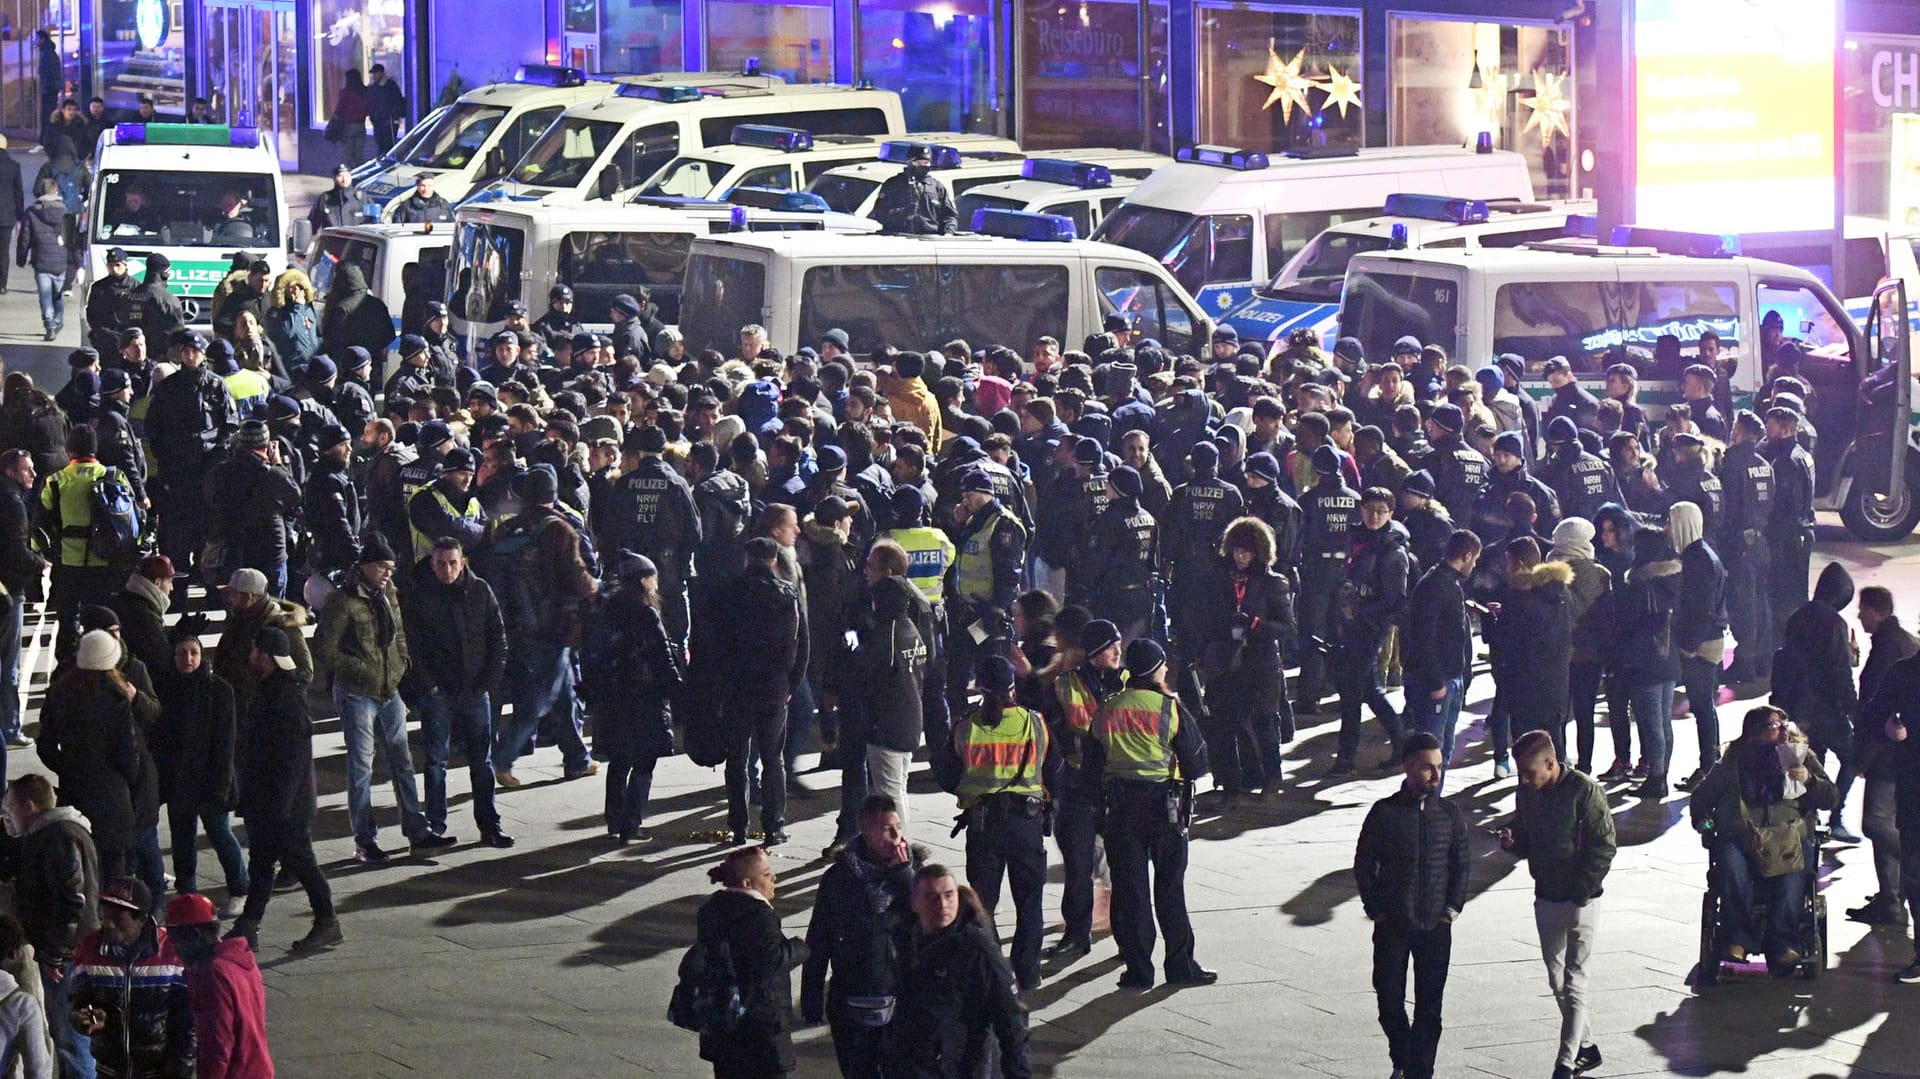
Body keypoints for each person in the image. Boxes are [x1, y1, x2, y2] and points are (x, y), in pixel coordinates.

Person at [313, 533, 448, 861]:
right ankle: (364, 839)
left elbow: (398, 632)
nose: (388, 572)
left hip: (390, 690)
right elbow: (325, 649)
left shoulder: (388, 593)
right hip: (357, 693)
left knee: (402, 762)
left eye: (391, 567)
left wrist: (402, 663)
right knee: (361, 766)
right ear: (365, 566)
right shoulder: (343, 601)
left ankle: (417, 831)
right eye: (382, 567)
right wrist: (361, 670)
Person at [1091, 638, 1214, 990]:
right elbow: (1197, 762)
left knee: (1132, 894)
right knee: (1170, 889)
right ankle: (1180, 966)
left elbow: (1093, 766)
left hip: (1121, 808)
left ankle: (1138, 970)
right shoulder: (1169, 708)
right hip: (1165, 808)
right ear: (1156, 669)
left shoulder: (1108, 707)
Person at [1498, 730, 1615, 1079]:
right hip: (1546, 893)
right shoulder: (1528, 792)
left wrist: (1582, 891)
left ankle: (1564, 1063)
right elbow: (1526, 835)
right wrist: (1512, 841)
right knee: (1557, 980)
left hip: (1580, 899)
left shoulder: (1584, 790)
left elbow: (1604, 845)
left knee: (1575, 980)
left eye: (1529, 773)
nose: (1524, 779)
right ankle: (1587, 1047)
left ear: (1550, 764)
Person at [1355, 732, 1467, 1079]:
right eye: (1427, 768)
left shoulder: (1449, 815)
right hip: (1393, 924)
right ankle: (1403, 1059)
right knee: (1389, 1001)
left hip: (1436, 926)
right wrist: (1377, 909)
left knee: (1429, 1009)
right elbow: (1363, 864)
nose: (1435, 775)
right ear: (1407, 767)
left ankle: (1419, 1072)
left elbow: (1461, 865)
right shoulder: (1384, 813)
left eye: (1439, 767)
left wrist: (1450, 910)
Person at [1689, 706, 1833, 974]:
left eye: (1782, 724)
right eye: (1773, 726)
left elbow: (1830, 796)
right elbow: (1701, 798)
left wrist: (1809, 780)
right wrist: (1704, 823)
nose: (1782, 730)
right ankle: (1738, 938)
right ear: (1755, 734)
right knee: (1730, 865)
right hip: (1743, 836)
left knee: (1795, 872)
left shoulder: (1799, 756)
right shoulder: (1732, 764)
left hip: (1788, 835)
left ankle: (1782, 943)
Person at [229, 626, 340, 954]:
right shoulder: (272, 689)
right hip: (272, 800)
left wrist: (279, 807)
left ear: (266, 656)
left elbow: (291, 761)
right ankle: (247, 926)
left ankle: (327, 920)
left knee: (300, 860)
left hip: (283, 805)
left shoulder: (284, 697)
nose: (251, 656)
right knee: (262, 863)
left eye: (255, 650)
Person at [403, 537, 513, 848]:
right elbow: (413, 646)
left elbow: (498, 640)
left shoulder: (480, 591)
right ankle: (435, 828)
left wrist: (485, 685)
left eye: (452, 563)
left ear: (462, 562)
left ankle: (489, 825)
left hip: (475, 690)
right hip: (438, 693)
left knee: (482, 761)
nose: (447, 570)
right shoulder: (421, 595)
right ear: (432, 563)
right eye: (440, 563)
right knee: (436, 761)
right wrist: (430, 686)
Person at [801, 794, 920, 1079]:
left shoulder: (915, 874)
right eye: (886, 830)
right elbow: (819, 938)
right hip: (852, 998)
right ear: (865, 833)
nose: (895, 837)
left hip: (901, 996)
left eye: (898, 828)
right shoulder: (839, 879)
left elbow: (926, 923)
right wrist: (811, 998)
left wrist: (903, 877)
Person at [951, 655, 1052, 993]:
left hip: (984, 825)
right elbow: (1051, 772)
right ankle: (1028, 972)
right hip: (1026, 822)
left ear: (980, 687)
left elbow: (952, 770)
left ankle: (993, 971)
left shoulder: (967, 725)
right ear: (1013, 686)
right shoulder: (1034, 723)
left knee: (982, 906)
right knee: (1029, 902)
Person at [886, 865, 1032, 1079]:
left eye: (949, 895)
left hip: (962, 1068)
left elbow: (1011, 1020)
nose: (943, 905)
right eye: (932, 897)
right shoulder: (907, 939)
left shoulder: (977, 948)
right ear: (915, 903)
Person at [578, 551, 679, 843]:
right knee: (645, 761)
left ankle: (614, 819)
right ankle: (631, 823)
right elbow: (661, 654)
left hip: (613, 695)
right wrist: (675, 688)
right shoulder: (647, 612)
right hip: (643, 694)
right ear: (644, 579)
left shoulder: (606, 609)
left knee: (620, 759)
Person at [4, 774, 100, 1079]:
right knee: (75, 1035)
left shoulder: (58, 836)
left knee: (73, 1038)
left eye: (10, 809)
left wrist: (54, 955)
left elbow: (73, 900)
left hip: (67, 958)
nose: (7, 817)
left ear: (29, 806)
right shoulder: (53, 832)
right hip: (69, 953)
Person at [716, 538, 806, 847]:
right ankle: (773, 826)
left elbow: (716, 643)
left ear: (747, 558)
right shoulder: (787, 594)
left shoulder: (729, 593)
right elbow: (801, 645)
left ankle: (738, 826)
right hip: (774, 686)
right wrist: (791, 685)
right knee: (773, 759)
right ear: (774, 560)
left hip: (738, 686)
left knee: (737, 760)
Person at [1198, 517, 1294, 798]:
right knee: (1226, 723)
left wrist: (1255, 624)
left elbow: (1287, 627)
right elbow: (1203, 617)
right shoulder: (1217, 578)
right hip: (1226, 658)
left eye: (1247, 551)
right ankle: (1231, 782)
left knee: (1265, 722)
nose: (1241, 557)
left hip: (1261, 660)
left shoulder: (1273, 583)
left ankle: (1272, 777)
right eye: (1237, 550)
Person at [154, 633, 249, 916]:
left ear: (201, 655)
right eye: (181, 653)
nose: (188, 659)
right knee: (182, 838)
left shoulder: (219, 690)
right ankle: (187, 892)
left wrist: (221, 783)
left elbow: (225, 741)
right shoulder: (167, 688)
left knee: (219, 833)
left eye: (193, 653)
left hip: (210, 779)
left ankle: (240, 887)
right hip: (179, 780)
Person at [692, 846, 807, 1078]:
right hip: (760, 1025)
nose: (773, 878)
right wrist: (799, 947)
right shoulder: (759, 916)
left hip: (725, 1022)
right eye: (765, 874)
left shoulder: (712, 909)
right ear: (747, 883)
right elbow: (771, 960)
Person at [38, 631, 144, 879]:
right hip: (112, 794)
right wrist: (125, 777)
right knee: (114, 871)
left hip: (74, 791)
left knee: (80, 870)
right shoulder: (116, 697)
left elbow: (45, 746)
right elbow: (128, 752)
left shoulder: (60, 692)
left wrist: (66, 767)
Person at [67, 878, 194, 1077]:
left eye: (119, 919)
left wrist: (181, 1069)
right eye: (105, 915)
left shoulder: (170, 952)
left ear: (142, 920)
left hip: (157, 1072)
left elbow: (188, 1020)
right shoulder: (89, 948)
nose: (108, 924)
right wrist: (88, 1017)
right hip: (109, 1070)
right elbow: (79, 1000)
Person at [1772, 562, 1861, 843]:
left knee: (1815, 762)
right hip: (1826, 708)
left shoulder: (1798, 616)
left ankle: (1811, 820)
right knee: (1852, 757)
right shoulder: (1834, 623)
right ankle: (1835, 814)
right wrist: (1854, 711)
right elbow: (1840, 674)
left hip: (1800, 706)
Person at [1850, 587, 1919, 927]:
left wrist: (1867, 751)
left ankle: (1903, 876)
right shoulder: (1896, 644)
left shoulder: (1892, 650)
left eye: (1863, 609)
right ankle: (1890, 899)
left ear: (1876, 611)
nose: (1859, 615)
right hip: (1892, 755)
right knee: (1885, 823)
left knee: (1877, 823)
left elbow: (1878, 709)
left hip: (1889, 756)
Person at [1331, 487, 1410, 775]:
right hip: (1351, 622)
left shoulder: (1392, 550)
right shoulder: (1358, 538)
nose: (1374, 515)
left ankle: (1346, 756)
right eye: (1369, 509)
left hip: (1369, 626)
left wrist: (1362, 612)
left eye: (1381, 510)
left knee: (1353, 691)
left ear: (1391, 513)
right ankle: (1401, 742)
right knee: (1368, 689)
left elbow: (1395, 602)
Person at [162, 893, 271, 1078]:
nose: (173, 947)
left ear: (195, 935)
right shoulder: (239, 960)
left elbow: (217, 1044)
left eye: (174, 939)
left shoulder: (212, 974)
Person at [1404, 530, 1480, 775]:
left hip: (1450, 678)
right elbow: (1422, 638)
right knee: (1431, 754)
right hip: (1437, 682)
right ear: (1467, 555)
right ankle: (1423, 808)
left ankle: (1432, 807)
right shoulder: (1436, 586)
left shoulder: (1448, 583)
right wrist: (1437, 682)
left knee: (1443, 753)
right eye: (1475, 559)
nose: (1475, 565)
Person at [1668, 502, 1729, 791]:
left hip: (1702, 642)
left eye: (1672, 522)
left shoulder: (1699, 561)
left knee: (1703, 706)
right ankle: (1709, 766)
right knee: (1704, 706)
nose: (1669, 529)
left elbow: (1702, 609)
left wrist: (1689, 646)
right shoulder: (1701, 554)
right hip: (1704, 638)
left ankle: (1708, 769)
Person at [0, 450, 48, 749]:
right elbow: (17, 551)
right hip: (10, 592)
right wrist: (40, 563)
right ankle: (11, 727)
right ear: (11, 472)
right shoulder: (15, 505)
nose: (32, 475)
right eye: (26, 470)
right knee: (10, 664)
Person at [16, 176, 72, 340]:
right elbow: (72, 239)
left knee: (45, 295)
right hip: (61, 261)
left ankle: (50, 326)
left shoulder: (32, 212)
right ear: (56, 192)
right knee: (57, 294)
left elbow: (24, 237)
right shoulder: (65, 212)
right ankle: (58, 319)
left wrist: (21, 258)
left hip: (41, 261)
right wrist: (76, 262)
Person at [871, 144, 957, 235]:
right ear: (910, 162)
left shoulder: (936, 187)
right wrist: (903, 212)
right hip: (898, 237)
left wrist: (948, 232)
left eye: (926, 163)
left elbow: (949, 215)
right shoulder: (893, 184)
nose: (923, 166)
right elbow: (880, 213)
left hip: (930, 239)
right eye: (919, 163)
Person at [308, 163, 368, 231]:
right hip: (332, 240)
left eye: (347, 175)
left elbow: (374, 225)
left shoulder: (362, 198)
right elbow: (311, 226)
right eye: (340, 176)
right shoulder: (325, 199)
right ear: (334, 178)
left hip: (356, 240)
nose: (344, 179)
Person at [330, 70, 371, 166]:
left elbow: (339, 109)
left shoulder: (346, 92)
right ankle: (359, 175)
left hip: (348, 126)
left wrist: (334, 119)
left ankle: (349, 177)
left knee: (347, 155)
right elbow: (369, 108)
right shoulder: (365, 92)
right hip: (361, 125)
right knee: (359, 156)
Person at [0, 134, 23, 295]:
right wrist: (20, 216)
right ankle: (2, 284)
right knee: (4, 251)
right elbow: (18, 193)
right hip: (6, 215)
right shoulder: (13, 166)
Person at [367, 63, 405, 155]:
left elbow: (398, 102)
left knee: (389, 147)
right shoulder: (373, 87)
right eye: (373, 74)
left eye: (376, 73)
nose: (374, 76)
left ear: (381, 73)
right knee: (380, 146)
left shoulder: (391, 86)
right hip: (378, 122)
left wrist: (395, 118)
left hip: (389, 122)